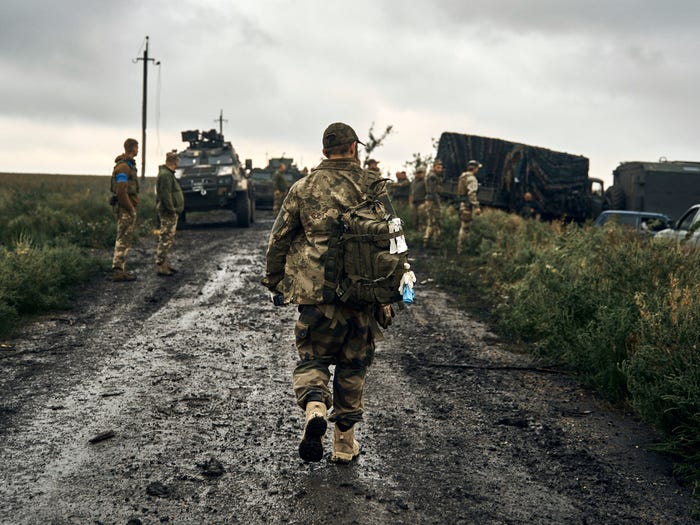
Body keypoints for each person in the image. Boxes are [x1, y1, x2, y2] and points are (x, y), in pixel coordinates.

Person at [262, 122, 394, 464]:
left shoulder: (302, 187)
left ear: (324, 151)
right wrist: (390, 296)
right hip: (362, 293)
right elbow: (392, 243)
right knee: (353, 365)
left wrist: (275, 280)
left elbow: (279, 239)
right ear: (354, 148)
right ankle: (344, 444)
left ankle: (316, 408)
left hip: (315, 294)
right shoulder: (372, 187)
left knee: (314, 358)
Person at [110, 138, 140, 282]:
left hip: (126, 208)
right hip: (125, 209)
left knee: (125, 239)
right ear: (132, 148)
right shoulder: (123, 167)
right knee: (122, 239)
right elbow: (121, 192)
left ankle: (121, 270)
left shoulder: (128, 165)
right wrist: (130, 209)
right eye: (137, 147)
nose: (138, 150)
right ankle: (117, 270)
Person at [155, 151, 184, 276]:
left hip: (170, 211)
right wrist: (172, 210)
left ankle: (164, 264)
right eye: (177, 160)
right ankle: (161, 265)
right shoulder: (166, 175)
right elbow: (165, 195)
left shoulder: (168, 174)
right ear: (175, 161)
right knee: (166, 238)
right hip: (168, 212)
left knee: (168, 238)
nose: (178, 163)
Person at [456, 160, 483, 255]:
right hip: (467, 205)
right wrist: (477, 206)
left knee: (462, 226)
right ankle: (462, 250)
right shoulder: (472, 179)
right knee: (465, 227)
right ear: (474, 168)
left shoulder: (462, 176)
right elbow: (471, 193)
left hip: (461, 204)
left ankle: (461, 248)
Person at [422, 159, 444, 248]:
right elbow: (433, 191)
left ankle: (427, 241)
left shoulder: (431, 176)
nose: (440, 169)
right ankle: (434, 242)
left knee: (431, 221)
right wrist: (438, 203)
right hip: (432, 201)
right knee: (435, 221)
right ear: (434, 167)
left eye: (441, 168)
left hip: (430, 200)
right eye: (438, 167)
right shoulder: (433, 177)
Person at [409, 166, 426, 233]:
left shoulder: (425, 181)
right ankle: (415, 232)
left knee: (421, 219)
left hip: (422, 203)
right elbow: (411, 193)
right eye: (418, 173)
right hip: (414, 203)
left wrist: (425, 203)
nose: (419, 174)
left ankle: (421, 233)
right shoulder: (413, 182)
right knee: (414, 218)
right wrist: (410, 203)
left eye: (420, 173)